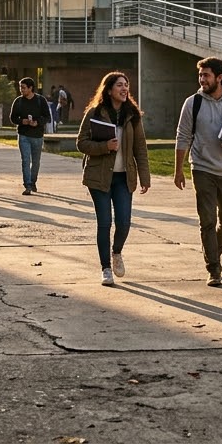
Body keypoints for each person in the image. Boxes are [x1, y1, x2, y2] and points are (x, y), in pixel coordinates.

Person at [174, 57, 222, 287]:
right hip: (202, 167)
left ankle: (213, 251)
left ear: (219, 77)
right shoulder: (193, 103)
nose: (202, 80)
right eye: (200, 75)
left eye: (206, 75)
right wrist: (178, 170)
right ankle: (214, 268)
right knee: (207, 219)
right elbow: (182, 136)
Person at [76, 71, 150, 286]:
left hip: (124, 178)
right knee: (104, 223)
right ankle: (106, 268)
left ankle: (116, 252)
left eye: (126, 85)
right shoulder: (94, 113)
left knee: (124, 222)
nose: (124, 88)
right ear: (109, 89)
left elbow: (140, 149)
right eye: (120, 85)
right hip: (98, 177)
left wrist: (144, 177)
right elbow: (81, 143)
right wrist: (104, 147)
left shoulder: (132, 115)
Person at [10, 77, 51, 195]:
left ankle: (33, 181)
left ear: (30, 88)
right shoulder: (18, 101)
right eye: (20, 87)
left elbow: (47, 117)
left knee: (36, 161)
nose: (21, 90)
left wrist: (37, 122)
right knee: (25, 160)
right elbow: (12, 118)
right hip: (24, 135)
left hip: (37, 135)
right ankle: (27, 184)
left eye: (23, 88)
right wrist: (22, 121)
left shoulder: (40, 100)